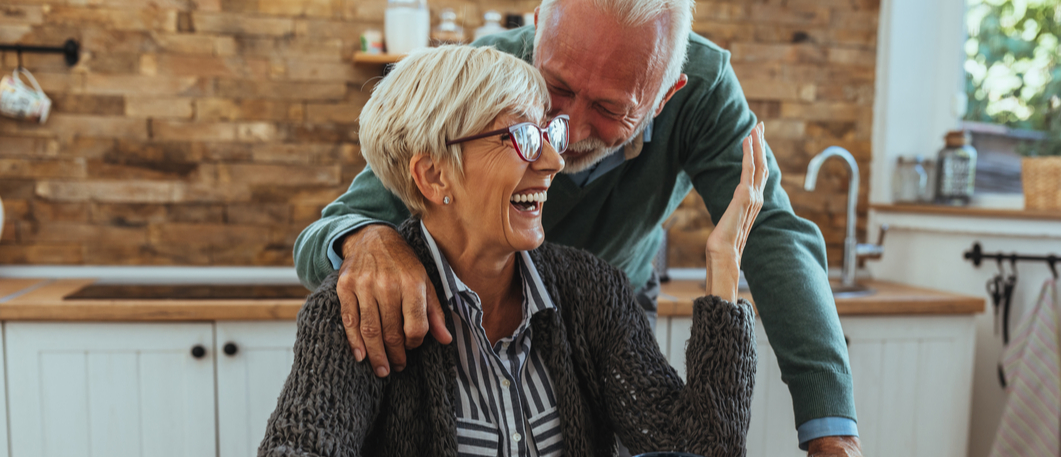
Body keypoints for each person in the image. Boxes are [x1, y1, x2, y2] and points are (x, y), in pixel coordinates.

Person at [293, 0, 861, 454]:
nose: (563, 143)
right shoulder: (483, 76)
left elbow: (771, 235)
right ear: (539, 31)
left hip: (609, 313)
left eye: (611, 108)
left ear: (665, 97)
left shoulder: (704, 92)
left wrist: (829, 428)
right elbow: (342, 223)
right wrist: (367, 241)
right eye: (556, 88)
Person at [262, 45, 762, 457]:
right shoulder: (357, 311)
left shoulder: (591, 292)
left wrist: (724, 266)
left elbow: (700, 450)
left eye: (548, 132)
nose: (551, 160)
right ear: (434, 175)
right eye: (521, 136)